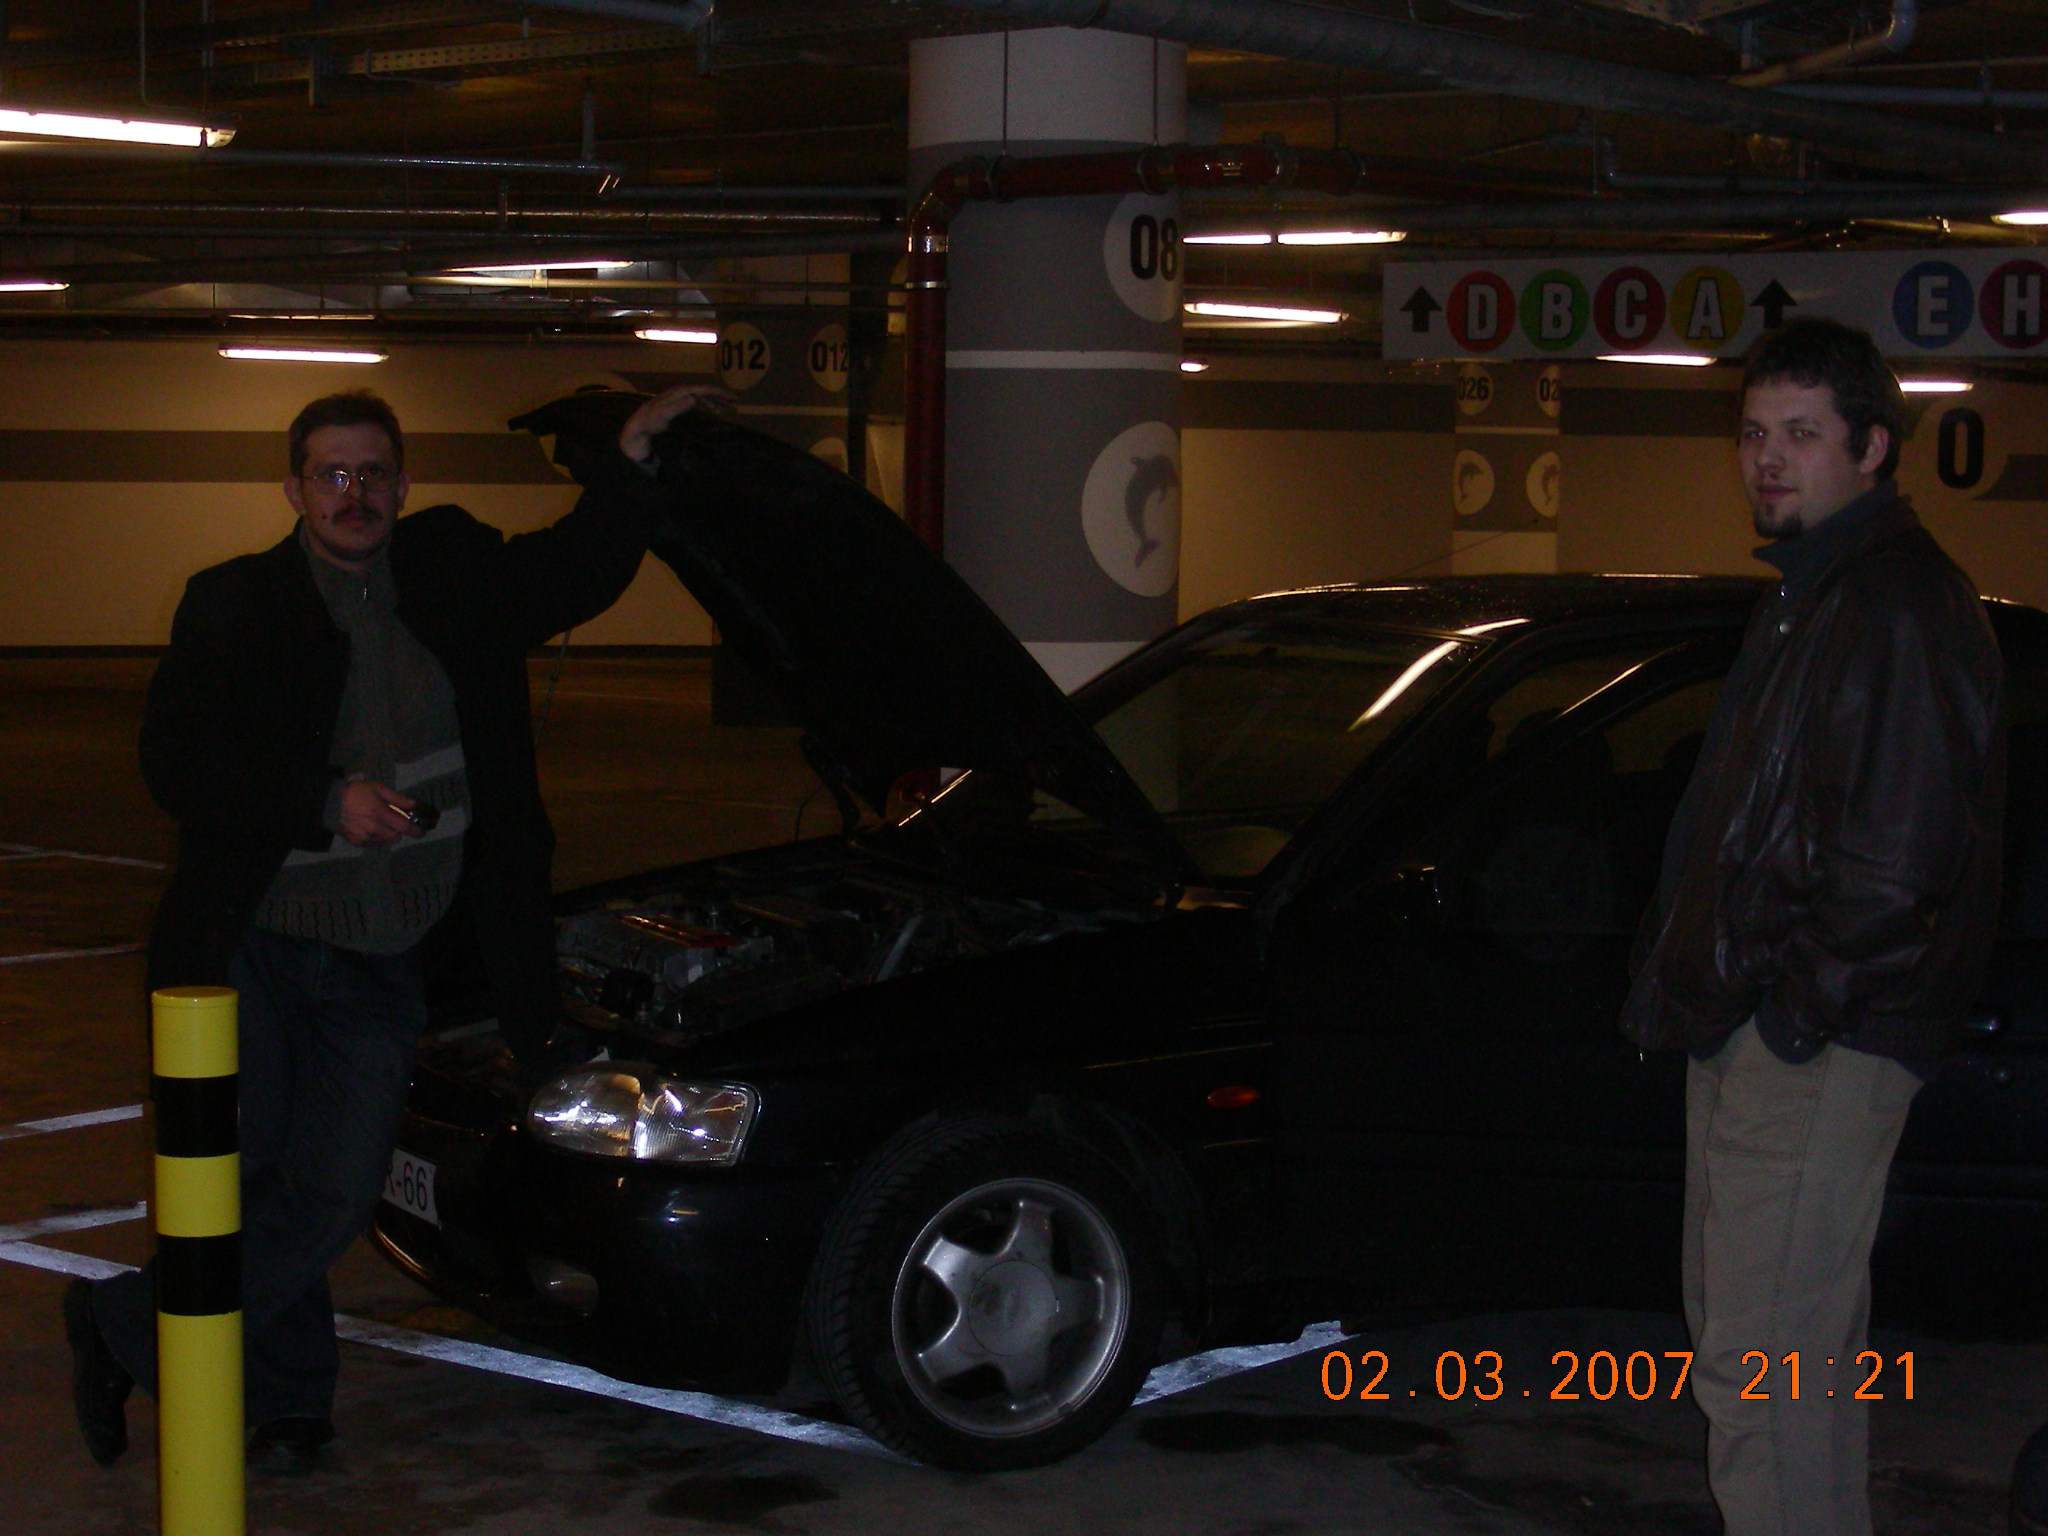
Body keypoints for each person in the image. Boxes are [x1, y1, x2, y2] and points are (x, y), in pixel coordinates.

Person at [64, 381, 718, 1473]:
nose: (353, 493)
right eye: (332, 474)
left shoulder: (453, 574)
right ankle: (289, 1403)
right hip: (256, 947)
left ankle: (123, 1323)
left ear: (403, 486)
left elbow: (577, 568)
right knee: (252, 1185)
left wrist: (633, 459)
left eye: (373, 473)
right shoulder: (232, 602)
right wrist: (327, 803)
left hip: (386, 956)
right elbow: (177, 764)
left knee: (331, 1195)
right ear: (294, 489)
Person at [1621, 317, 2005, 1535]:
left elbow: (1896, 866)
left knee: (1761, 1369)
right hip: (1763, 1026)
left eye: (1799, 434)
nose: (1766, 460)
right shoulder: (1818, 595)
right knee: (1785, 1363)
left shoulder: (1895, 606)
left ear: (1870, 448)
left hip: (1812, 1043)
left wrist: (1790, 1023)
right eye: (1751, 433)